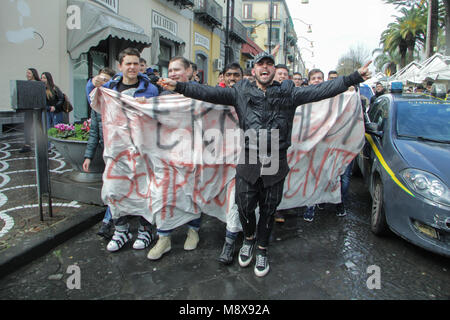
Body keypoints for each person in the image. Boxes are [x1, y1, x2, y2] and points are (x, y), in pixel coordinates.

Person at [158, 52, 372, 277]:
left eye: (270, 64)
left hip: (274, 156)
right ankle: (248, 239)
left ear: (273, 71)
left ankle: (262, 249)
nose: (265, 67)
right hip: (251, 155)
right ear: (254, 70)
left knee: (269, 209)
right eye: (261, 64)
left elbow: (320, 90)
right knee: (245, 205)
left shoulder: (288, 93)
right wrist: (180, 86)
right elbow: (208, 92)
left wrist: (354, 77)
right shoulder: (240, 91)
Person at [88, 47, 159, 252]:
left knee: (144, 189)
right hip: (116, 150)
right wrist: (92, 83)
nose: (132, 67)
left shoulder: (150, 89)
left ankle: (145, 230)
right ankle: (121, 230)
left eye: (136, 63)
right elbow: (91, 98)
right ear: (120, 66)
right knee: (115, 190)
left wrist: (148, 106)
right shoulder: (109, 87)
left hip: (142, 149)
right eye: (128, 63)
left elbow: (158, 114)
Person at [147, 56, 203, 261]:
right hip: (164, 155)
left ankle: (193, 230)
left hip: (191, 153)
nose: (172, 74)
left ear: (189, 71)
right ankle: (164, 238)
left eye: (177, 69)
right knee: (163, 193)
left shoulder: (201, 95)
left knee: (192, 192)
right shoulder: (160, 96)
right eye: (170, 70)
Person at [83, 67, 116, 239]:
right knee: (111, 187)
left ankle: (109, 221)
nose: (101, 83)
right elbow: (94, 132)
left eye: (106, 80)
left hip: (122, 152)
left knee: (117, 186)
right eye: (99, 79)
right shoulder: (96, 105)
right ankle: (108, 221)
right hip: (107, 153)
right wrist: (88, 156)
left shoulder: (118, 102)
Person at [217, 62, 244, 265]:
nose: (233, 78)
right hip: (220, 154)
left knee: (238, 197)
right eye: (229, 75)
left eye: (236, 75)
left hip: (247, 154)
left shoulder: (252, 95)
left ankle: (231, 240)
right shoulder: (214, 96)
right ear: (223, 77)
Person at [19, 68, 41, 153]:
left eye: (29, 73)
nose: (27, 75)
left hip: (36, 109)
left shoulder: (38, 84)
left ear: (33, 74)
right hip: (28, 109)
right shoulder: (26, 84)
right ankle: (27, 145)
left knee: (38, 127)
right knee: (27, 126)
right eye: (27, 73)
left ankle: (41, 144)